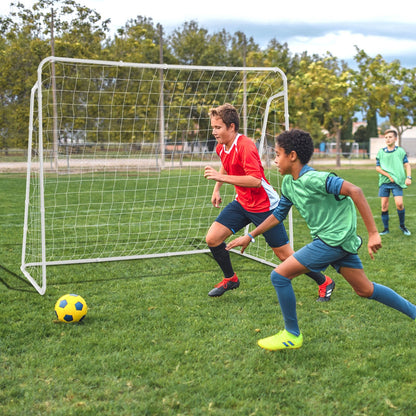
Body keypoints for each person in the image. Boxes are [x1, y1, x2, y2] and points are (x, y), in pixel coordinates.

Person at [226, 129, 416, 351]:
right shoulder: (288, 183)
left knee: (279, 276)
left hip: (332, 241)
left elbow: (355, 191)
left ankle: (292, 334)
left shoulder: (316, 178)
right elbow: (278, 215)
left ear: (293, 156)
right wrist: (250, 235)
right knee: (365, 289)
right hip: (337, 242)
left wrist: (373, 233)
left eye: (277, 154)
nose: (274, 160)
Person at [203, 104, 335, 301]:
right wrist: (217, 189)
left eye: (218, 127)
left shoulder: (246, 146)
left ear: (231, 127)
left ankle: (324, 281)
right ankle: (230, 278)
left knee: (285, 257)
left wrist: (219, 178)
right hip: (243, 203)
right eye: (213, 127)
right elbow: (226, 164)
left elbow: (255, 181)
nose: (214, 132)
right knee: (212, 239)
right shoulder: (222, 146)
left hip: (265, 206)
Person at [376, 129, 412, 236]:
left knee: (399, 204)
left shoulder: (400, 151)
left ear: (395, 139)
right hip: (384, 182)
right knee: (384, 206)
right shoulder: (381, 152)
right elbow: (377, 168)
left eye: (390, 137)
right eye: (386, 137)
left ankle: (402, 226)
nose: (388, 139)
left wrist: (408, 177)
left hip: (397, 182)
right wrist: (388, 175)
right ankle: (386, 229)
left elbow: (407, 165)